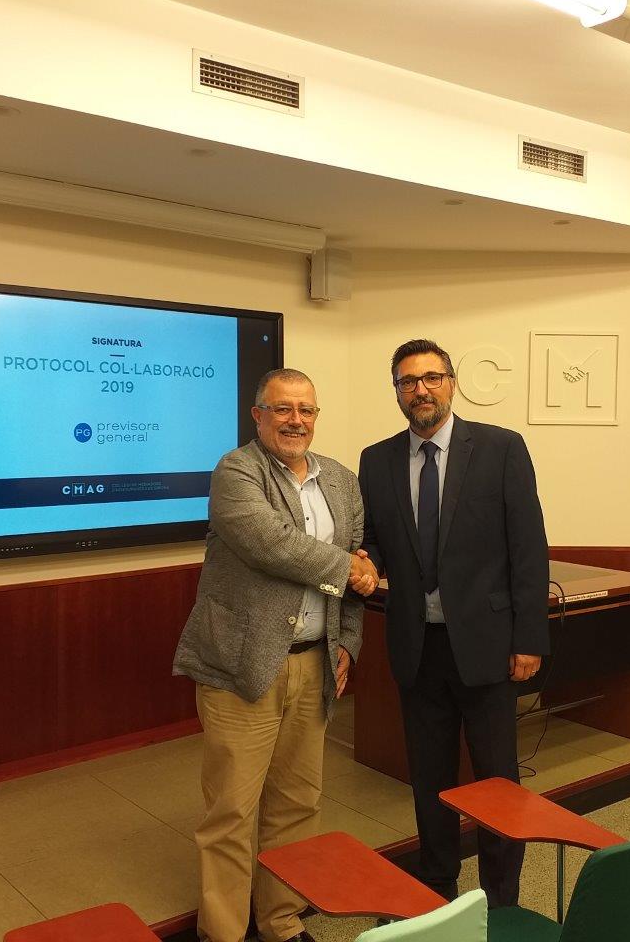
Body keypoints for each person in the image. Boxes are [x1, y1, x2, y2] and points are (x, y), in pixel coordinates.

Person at [173, 368, 377, 942]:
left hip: (315, 662)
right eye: (282, 409)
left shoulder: (340, 480)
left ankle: (280, 920)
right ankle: (223, 931)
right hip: (242, 665)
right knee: (231, 811)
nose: (296, 421)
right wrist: (351, 568)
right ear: (258, 415)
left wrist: (348, 642)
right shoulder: (237, 471)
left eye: (306, 410)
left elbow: (355, 565)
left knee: (297, 803)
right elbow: (272, 545)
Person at [358, 339, 548, 907]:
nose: (420, 389)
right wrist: (364, 561)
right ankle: (437, 887)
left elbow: (528, 548)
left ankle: (501, 896)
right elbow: (376, 542)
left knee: (497, 781)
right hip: (418, 648)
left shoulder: (500, 448)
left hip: (489, 646)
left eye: (431, 378)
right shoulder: (376, 460)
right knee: (429, 780)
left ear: (451, 383)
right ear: (397, 391)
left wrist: (529, 639)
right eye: (408, 381)